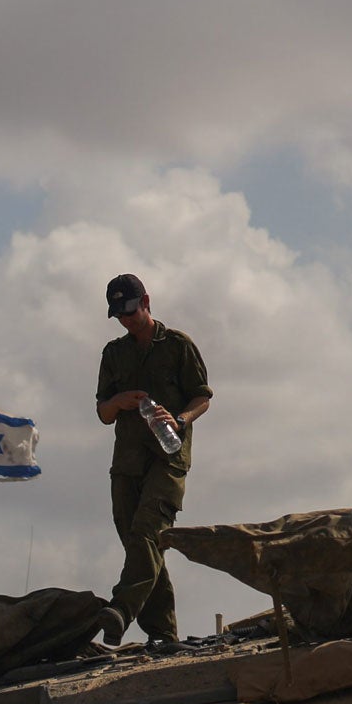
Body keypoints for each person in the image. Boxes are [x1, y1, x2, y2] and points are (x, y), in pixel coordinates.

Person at [93, 273, 212, 646]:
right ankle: (162, 633)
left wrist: (179, 419)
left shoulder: (178, 346)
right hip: (127, 460)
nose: (126, 320)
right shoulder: (114, 353)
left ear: (146, 301)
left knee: (148, 531)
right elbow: (103, 411)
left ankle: (121, 609)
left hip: (169, 455)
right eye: (119, 315)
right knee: (138, 542)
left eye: (130, 311)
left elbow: (202, 397)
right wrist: (119, 401)